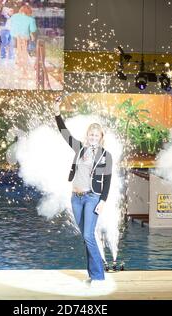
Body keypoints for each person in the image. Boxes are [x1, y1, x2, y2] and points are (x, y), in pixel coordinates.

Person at [53, 95, 113, 287]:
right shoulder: (79, 148)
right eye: (91, 135)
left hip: (92, 198)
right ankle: (93, 274)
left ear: (101, 137)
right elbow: (64, 133)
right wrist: (57, 112)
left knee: (88, 235)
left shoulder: (106, 156)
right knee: (86, 238)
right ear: (87, 136)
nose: (93, 138)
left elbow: (108, 181)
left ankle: (99, 276)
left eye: (96, 135)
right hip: (76, 198)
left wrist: (102, 201)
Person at [9, 4, 37, 79]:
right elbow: (33, 29)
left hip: (14, 36)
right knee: (24, 52)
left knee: (18, 51)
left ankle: (18, 64)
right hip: (24, 37)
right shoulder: (31, 19)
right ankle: (24, 71)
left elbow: (10, 24)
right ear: (29, 12)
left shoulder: (14, 16)